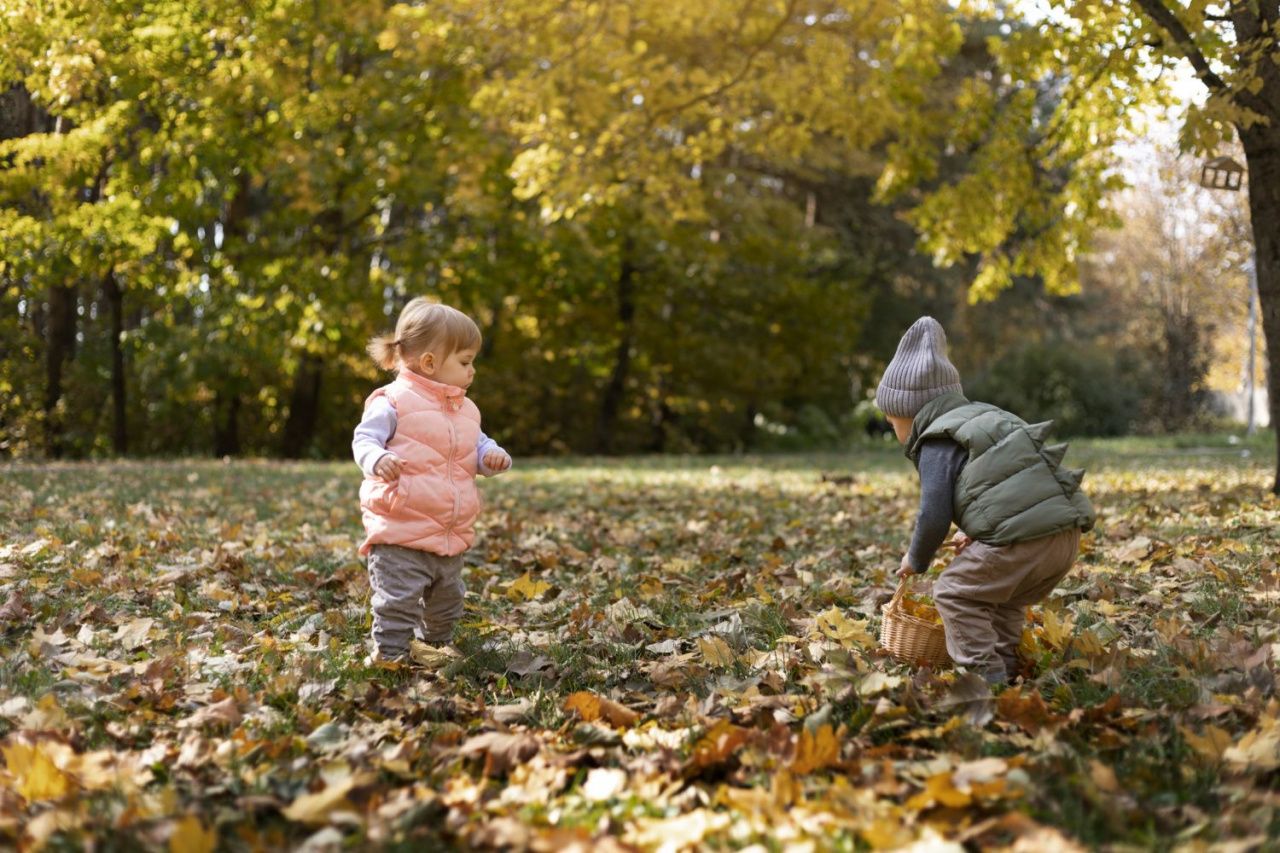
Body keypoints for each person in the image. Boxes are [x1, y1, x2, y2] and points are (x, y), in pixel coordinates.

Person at [876, 317, 1095, 684]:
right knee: (1003, 599)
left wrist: (916, 558)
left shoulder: (936, 440)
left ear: (907, 413)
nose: (893, 430)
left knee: (954, 593)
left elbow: (933, 514)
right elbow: (1006, 486)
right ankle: (1006, 670)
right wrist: (978, 533)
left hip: (1022, 540)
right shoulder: (986, 418)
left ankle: (985, 681)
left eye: (891, 421)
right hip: (1064, 536)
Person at [352, 298, 512, 664]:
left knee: (447, 601)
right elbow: (365, 439)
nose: (472, 371)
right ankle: (390, 654)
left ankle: (436, 647)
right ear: (429, 363)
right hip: (401, 527)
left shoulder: (465, 410)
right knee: (398, 600)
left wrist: (490, 456)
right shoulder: (392, 401)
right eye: (465, 362)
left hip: (448, 531)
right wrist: (378, 459)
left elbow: (476, 444)